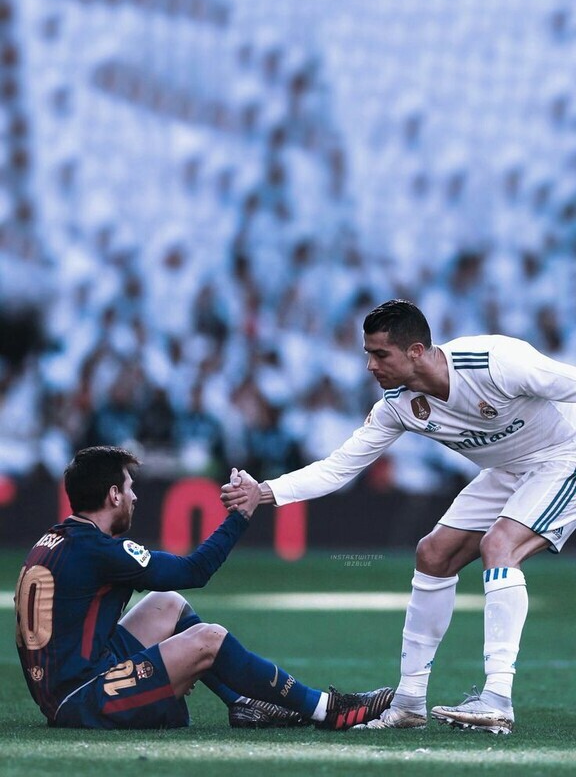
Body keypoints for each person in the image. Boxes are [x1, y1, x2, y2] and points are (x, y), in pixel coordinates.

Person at [222, 298, 576, 735]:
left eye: (380, 354)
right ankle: (409, 702)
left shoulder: (494, 362)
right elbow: (338, 468)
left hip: (565, 454)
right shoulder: (397, 405)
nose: (370, 366)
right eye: (367, 354)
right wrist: (263, 492)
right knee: (433, 554)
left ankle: (498, 698)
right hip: (508, 469)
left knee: (499, 546)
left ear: (416, 351)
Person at [15, 445, 393, 731]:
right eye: (129, 488)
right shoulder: (100, 550)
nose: (135, 497)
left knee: (166, 603)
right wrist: (241, 514)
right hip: (83, 698)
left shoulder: (52, 541)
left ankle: (243, 703)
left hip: (64, 685)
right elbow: (195, 571)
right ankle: (328, 710)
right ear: (113, 495)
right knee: (209, 639)